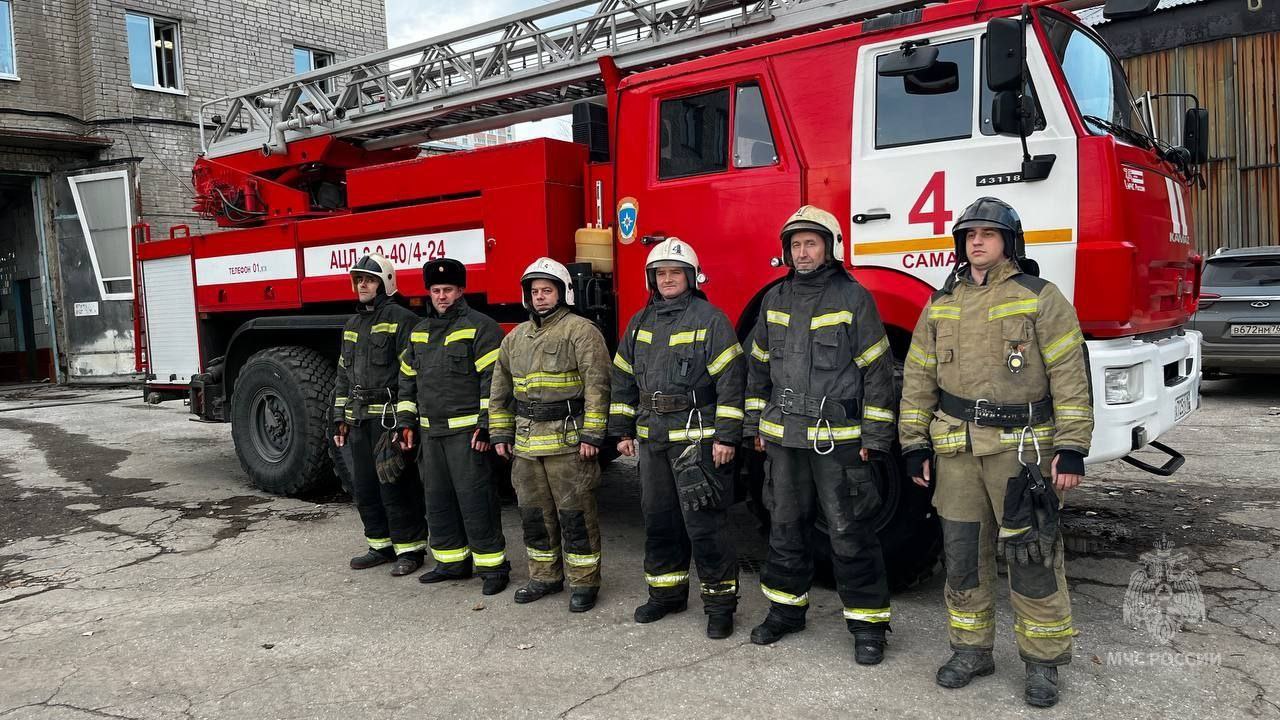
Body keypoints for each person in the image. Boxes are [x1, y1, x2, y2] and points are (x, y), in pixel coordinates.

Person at [899, 197, 1092, 708]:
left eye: (987, 233)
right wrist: (913, 443)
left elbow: (1070, 376)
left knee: (1032, 557)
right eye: (969, 235)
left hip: (1022, 454)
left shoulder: (1040, 297)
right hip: (957, 451)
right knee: (962, 556)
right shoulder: (941, 303)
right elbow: (918, 379)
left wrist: (1071, 448)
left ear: (1009, 240)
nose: (976, 242)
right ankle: (970, 649)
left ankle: (1043, 664)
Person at [742, 205, 898, 665]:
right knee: (785, 529)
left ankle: (869, 625)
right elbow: (756, 368)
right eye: (795, 244)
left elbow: (879, 373)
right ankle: (786, 612)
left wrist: (875, 437)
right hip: (784, 439)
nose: (802, 251)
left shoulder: (854, 299)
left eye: (811, 242)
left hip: (839, 440)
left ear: (830, 248)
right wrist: (755, 426)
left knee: (850, 532)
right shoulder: (775, 299)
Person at [608, 238, 745, 639]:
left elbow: (732, 383)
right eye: (661, 273)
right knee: (659, 519)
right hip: (652, 439)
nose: (668, 279)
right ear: (652, 279)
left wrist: (727, 437)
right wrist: (621, 430)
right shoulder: (639, 322)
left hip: (697, 441)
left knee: (705, 524)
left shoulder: (711, 319)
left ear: (691, 276)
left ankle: (720, 606)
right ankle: (666, 594)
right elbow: (622, 378)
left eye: (675, 272)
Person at [488, 258, 612, 613]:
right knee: (533, 515)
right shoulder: (514, 338)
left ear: (563, 293)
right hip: (526, 444)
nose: (540, 297)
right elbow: (500, 391)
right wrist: (500, 432)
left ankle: (585, 582)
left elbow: (598, 386)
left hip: (569, 441)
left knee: (575, 514)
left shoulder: (581, 331)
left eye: (547, 290)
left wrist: (593, 435)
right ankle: (544, 576)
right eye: (535, 292)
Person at [395, 258, 510, 595]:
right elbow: (407, 382)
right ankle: (450, 562)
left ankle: (492, 569)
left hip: (466, 434)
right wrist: (405, 421)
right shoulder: (419, 331)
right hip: (431, 435)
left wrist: (487, 425)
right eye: (435, 290)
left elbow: (494, 382)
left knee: (476, 500)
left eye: (448, 290)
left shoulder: (481, 327)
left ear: (461, 290)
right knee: (438, 500)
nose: (441, 296)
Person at [332, 254, 427, 576]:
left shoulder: (402, 319)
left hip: (388, 420)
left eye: (369, 280)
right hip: (358, 420)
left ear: (385, 283)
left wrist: (405, 421)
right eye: (358, 279)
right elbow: (343, 374)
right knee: (366, 486)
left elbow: (409, 375)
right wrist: (339, 417)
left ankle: (411, 550)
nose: (362, 285)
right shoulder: (352, 324)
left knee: (395, 484)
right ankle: (380, 545)